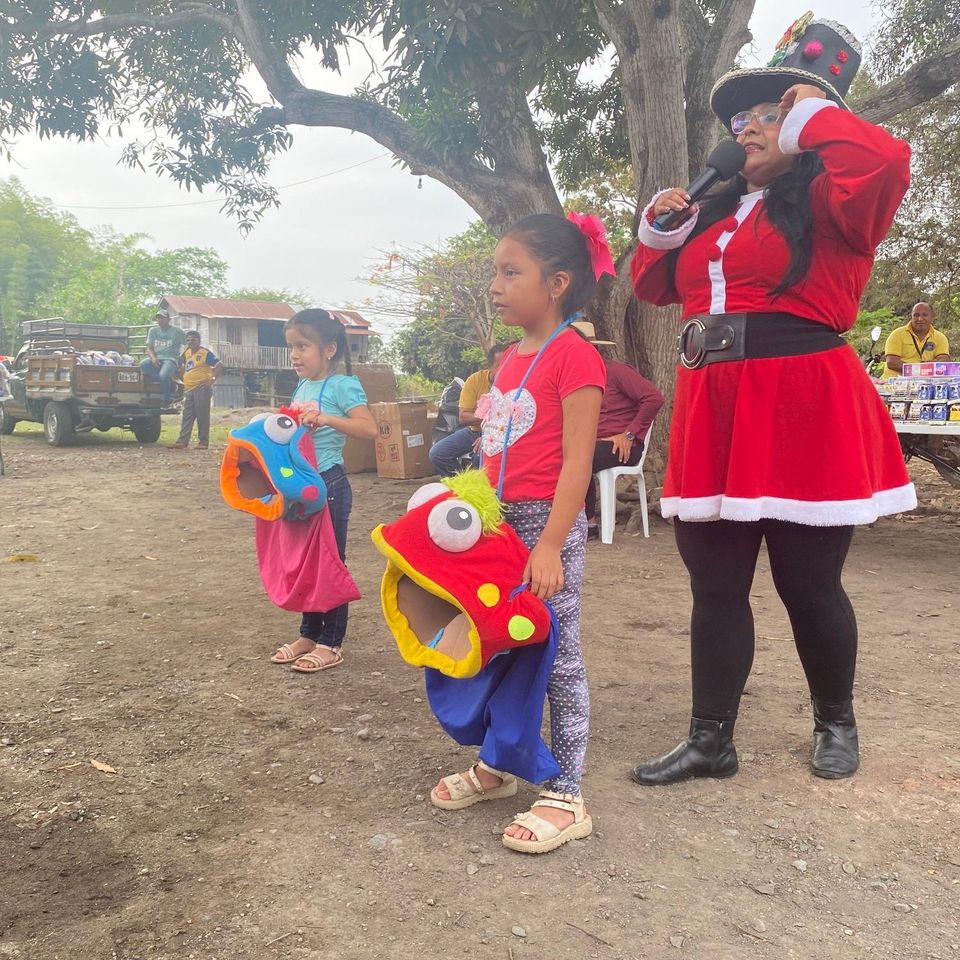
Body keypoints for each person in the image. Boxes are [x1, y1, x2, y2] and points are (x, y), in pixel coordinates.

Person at [628, 16, 916, 786]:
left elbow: (884, 158)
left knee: (808, 585)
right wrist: (663, 228)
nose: (749, 128)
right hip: (714, 408)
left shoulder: (835, 202)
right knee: (715, 586)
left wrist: (811, 115)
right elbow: (652, 287)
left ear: (804, 127)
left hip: (802, 407)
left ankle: (836, 722)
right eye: (741, 120)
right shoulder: (718, 215)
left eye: (769, 115)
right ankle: (710, 741)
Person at [430, 212, 610, 855]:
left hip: (544, 527)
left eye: (511, 273)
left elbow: (577, 464)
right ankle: (499, 764)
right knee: (499, 644)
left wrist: (551, 544)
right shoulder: (508, 359)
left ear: (557, 283)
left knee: (557, 653)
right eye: (495, 272)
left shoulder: (577, 357)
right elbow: (492, 451)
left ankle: (567, 792)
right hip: (500, 526)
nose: (495, 285)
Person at [268, 309, 378, 673]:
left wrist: (327, 418)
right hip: (302, 488)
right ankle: (308, 635)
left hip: (329, 484)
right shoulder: (301, 386)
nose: (294, 355)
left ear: (329, 349)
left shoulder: (341, 385)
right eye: (291, 347)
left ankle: (331, 642)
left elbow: (369, 429)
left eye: (303, 346)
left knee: (329, 564)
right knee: (307, 562)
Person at [571, 320, 665, 531]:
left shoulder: (615, 371)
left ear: (592, 350)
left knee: (580, 457)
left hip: (624, 446)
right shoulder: (575, 378)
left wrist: (629, 434)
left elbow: (654, 398)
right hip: (593, 443)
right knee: (565, 454)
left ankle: (588, 523)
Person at [428, 343, 510, 477]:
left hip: (504, 434)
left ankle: (480, 487)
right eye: (500, 366)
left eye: (509, 365)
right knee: (437, 453)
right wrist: (492, 418)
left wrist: (491, 434)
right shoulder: (475, 380)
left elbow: (516, 420)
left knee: (480, 457)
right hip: (475, 431)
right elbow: (464, 417)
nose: (506, 370)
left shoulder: (517, 383)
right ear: (489, 367)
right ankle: (460, 484)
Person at [167, 331, 223, 450]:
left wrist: (212, 380)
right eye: (188, 340)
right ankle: (182, 441)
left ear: (199, 341)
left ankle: (203, 442)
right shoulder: (187, 352)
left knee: (202, 416)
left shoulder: (204, 353)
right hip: (189, 389)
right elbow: (181, 365)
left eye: (193, 340)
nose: (190, 342)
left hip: (201, 388)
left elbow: (219, 364)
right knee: (187, 415)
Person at [882, 302, 950, 378]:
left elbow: (944, 360)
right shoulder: (897, 334)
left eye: (924, 315)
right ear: (911, 316)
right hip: (894, 382)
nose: (920, 319)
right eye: (916, 315)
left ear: (932, 317)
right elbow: (892, 363)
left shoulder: (940, 337)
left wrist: (932, 365)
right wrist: (920, 370)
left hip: (926, 382)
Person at [140, 308, 187, 407]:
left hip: (171, 359)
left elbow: (187, 343)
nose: (160, 320)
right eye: (158, 318)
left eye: (163, 318)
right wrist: (153, 358)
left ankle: (167, 398)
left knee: (163, 375)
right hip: (157, 358)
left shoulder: (177, 331)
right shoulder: (153, 331)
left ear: (169, 320)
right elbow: (149, 348)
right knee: (143, 364)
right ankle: (171, 382)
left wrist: (183, 359)